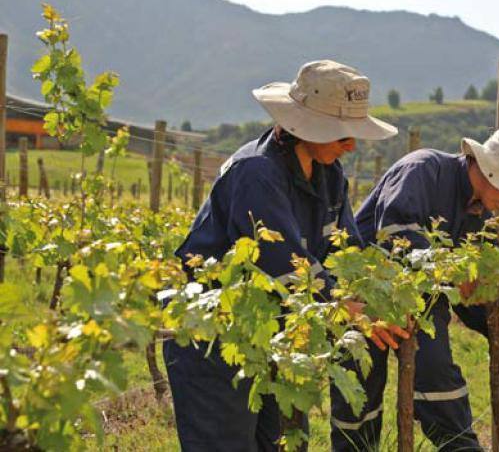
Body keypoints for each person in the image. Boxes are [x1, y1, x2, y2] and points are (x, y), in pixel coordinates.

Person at [163, 60, 399, 452]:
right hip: (216, 339)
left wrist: (376, 294)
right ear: (302, 127)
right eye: (342, 133)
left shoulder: (331, 176)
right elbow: (286, 265)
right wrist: (348, 310)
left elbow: (347, 250)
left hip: (280, 336)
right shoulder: (256, 172)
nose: (351, 144)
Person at [330, 126, 499, 451]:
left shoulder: (482, 218)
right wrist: (447, 268)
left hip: (423, 302)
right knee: (357, 401)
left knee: (437, 375)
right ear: (490, 170)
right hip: (363, 297)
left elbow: (465, 290)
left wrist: (491, 323)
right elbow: (396, 236)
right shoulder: (423, 169)